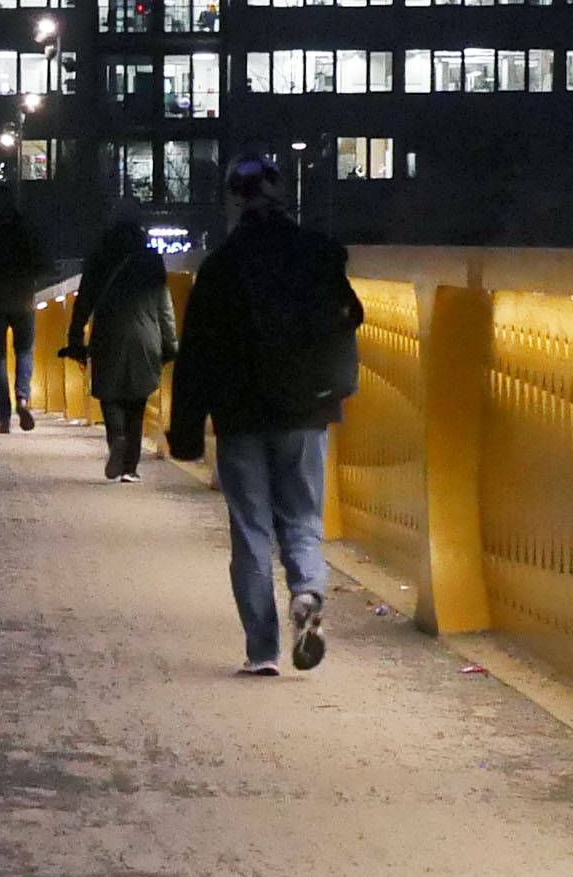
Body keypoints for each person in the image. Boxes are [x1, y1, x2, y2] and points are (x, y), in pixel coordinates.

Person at [161, 153, 362, 677]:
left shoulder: (221, 266)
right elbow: (349, 315)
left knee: (250, 528)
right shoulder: (317, 253)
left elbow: (196, 353)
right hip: (305, 410)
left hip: (241, 415)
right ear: (280, 192)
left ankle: (262, 651)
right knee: (302, 517)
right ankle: (308, 592)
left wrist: (185, 429)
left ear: (234, 198)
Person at [64, 209, 174, 479]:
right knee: (137, 401)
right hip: (147, 337)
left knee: (109, 394)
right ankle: (130, 468)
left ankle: (117, 440)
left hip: (108, 335)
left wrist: (75, 339)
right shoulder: (151, 260)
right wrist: (170, 342)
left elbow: (83, 303)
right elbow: (164, 304)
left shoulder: (99, 258)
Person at [0, 196, 53, 431]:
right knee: (25, 350)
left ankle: (3, 418)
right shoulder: (26, 231)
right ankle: (23, 399)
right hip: (23, 299)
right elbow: (44, 262)